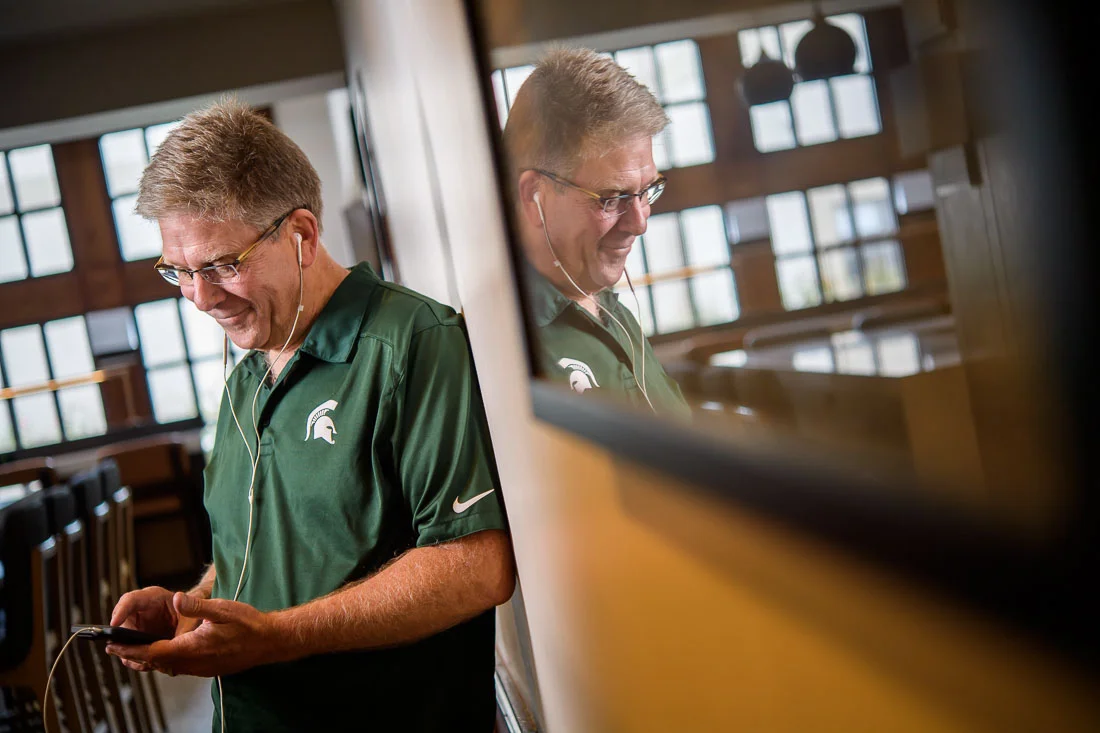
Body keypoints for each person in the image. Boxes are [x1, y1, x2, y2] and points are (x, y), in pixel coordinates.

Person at [107, 99, 515, 732]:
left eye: (221, 265)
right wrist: (197, 605)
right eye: (179, 271)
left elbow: (476, 566)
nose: (200, 298)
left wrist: (275, 636)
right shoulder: (247, 373)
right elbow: (273, 545)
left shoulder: (414, 342)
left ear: (300, 234)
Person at [503, 47, 691, 418]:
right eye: (611, 198)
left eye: (647, 191)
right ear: (533, 196)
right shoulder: (500, 341)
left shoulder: (617, 314)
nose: (640, 223)